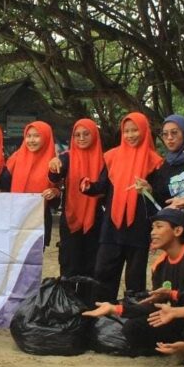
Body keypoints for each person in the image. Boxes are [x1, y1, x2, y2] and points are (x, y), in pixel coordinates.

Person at [82, 208, 184, 352]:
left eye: (159, 227)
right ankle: (177, 349)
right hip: (174, 318)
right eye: (152, 228)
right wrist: (115, 309)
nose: (152, 232)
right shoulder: (159, 264)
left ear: (178, 231)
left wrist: (173, 294)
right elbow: (156, 305)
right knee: (133, 328)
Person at [82, 112, 163, 302]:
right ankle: (101, 315)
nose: (130, 135)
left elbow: (160, 196)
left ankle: (130, 317)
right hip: (112, 226)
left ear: (144, 131)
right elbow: (102, 187)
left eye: (135, 130)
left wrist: (149, 189)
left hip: (139, 227)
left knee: (135, 278)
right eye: (126, 131)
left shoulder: (155, 161)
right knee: (103, 271)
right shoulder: (111, 157)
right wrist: (87, 186)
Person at [49, 119, 105, 278]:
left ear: (94, 135)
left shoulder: (105, 160)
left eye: (86, 134)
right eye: (77, 135)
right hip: (71, 217)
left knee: (92, 265)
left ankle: (87, 302)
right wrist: (53, 166)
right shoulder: (67, 157)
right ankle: (69, 301)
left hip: (96, 219)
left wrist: (91, 188)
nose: (81, 138)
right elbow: (56, 175)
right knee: (69, 264)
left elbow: (105, 186)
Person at [3, 121, 60, 248]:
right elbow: (3, 184)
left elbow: (57, 199)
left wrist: (54, 193)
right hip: (14, 218)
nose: (31, 140)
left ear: (46, 137)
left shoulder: (54, 163)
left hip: (39, 220)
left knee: (32, 264)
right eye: (28, 136)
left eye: (36, 136)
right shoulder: (15, 158)